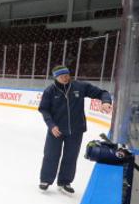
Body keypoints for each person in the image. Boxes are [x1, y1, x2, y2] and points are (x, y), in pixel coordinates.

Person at [38, 65, 112, 193]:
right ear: (55, 78)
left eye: (67, 75)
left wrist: (106, 101)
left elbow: (102, 93)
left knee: (71, 157)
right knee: (51, 155)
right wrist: (51, 125)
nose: (65, 78)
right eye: (62, 76)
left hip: (76, 130)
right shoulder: (50, 91)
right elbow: (44, 109)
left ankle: (65, 182)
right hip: (56, 130)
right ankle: (45, 180)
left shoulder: (80, 87)